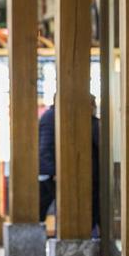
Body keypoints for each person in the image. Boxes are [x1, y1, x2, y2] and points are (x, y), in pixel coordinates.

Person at [38, 95, 99, 235]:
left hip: (52, 172)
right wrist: (54, 172)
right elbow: (45, 147)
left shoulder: (53, 116)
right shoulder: (53, 117)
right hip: (53, 173)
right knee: (67, 208)